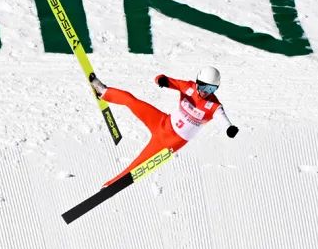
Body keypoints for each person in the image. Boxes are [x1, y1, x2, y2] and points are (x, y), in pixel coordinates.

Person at [89, 66, 238, 187]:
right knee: (132, 101)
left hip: (170, 142)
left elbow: (222, 118)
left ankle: (111, 185)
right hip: (162, 122)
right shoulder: (188, 87)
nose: (206, 92)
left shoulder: (214, 106)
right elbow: (166, 80)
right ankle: (103, 91)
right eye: (204, 86)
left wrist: (229, 128)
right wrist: (162, 80)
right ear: (197, 81)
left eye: (211, 89)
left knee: (138, 164)